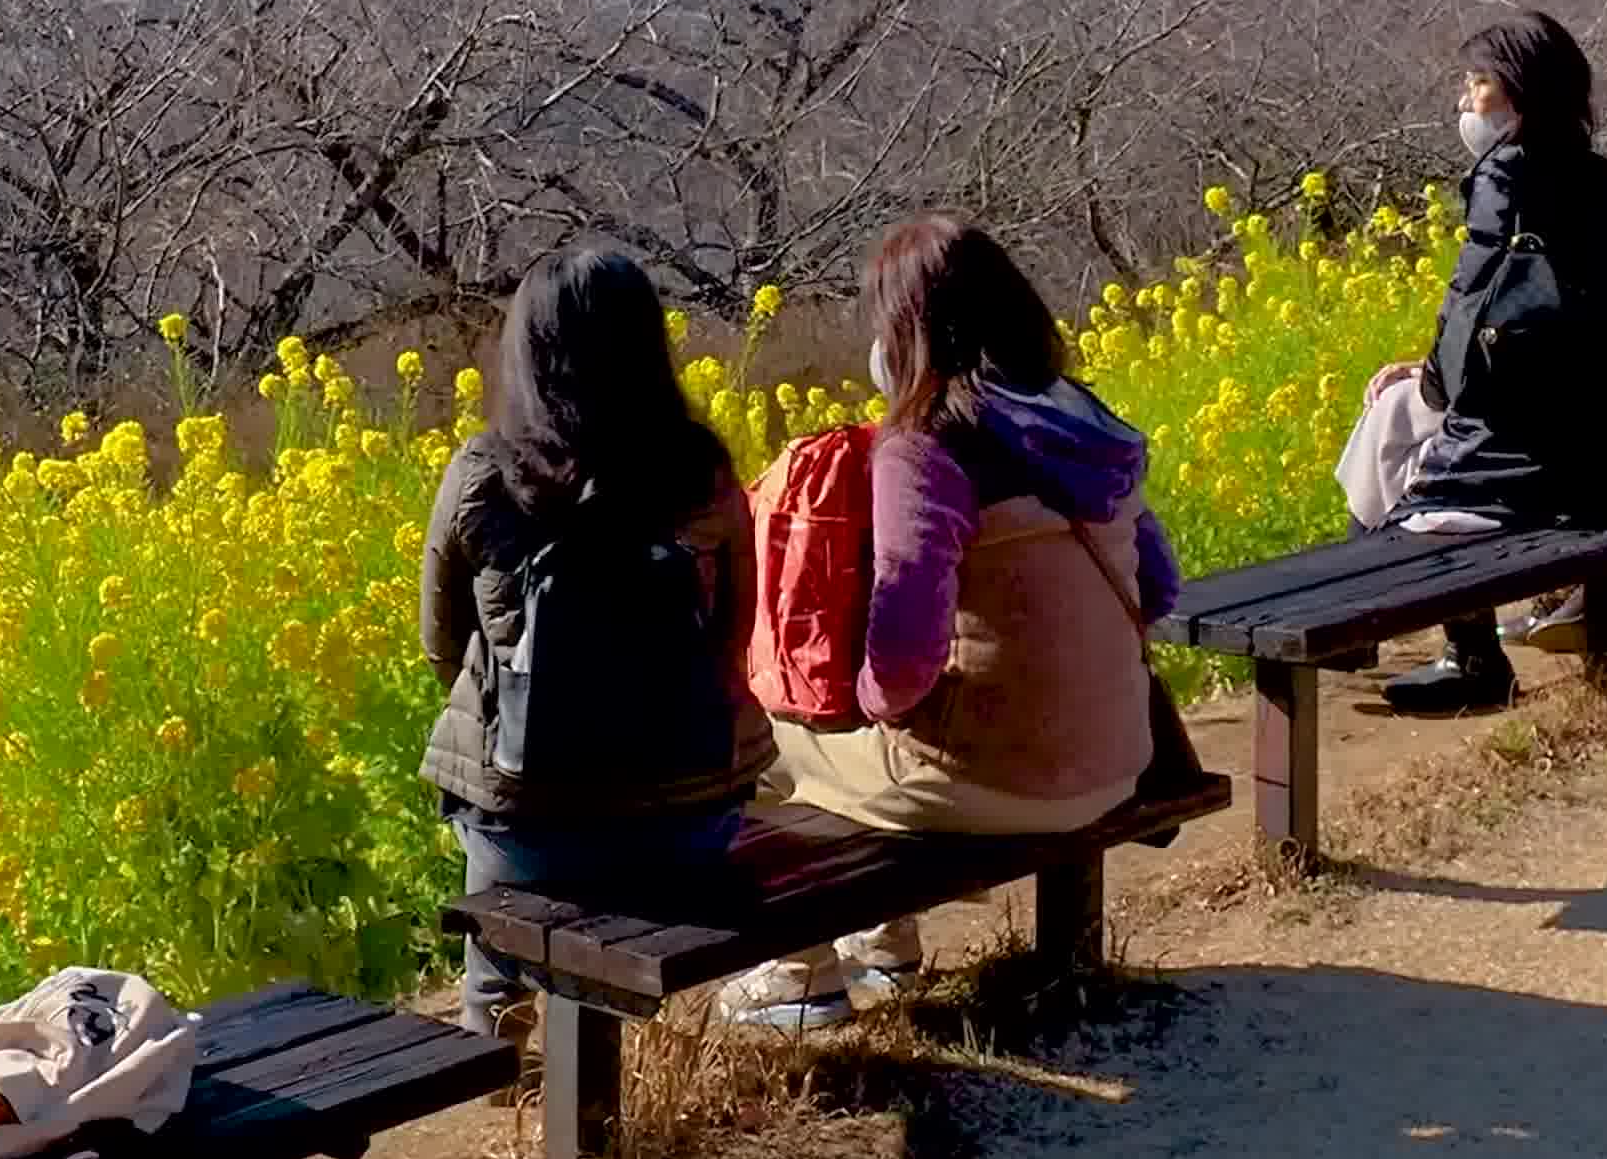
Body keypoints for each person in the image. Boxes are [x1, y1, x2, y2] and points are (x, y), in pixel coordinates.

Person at [716, 212, 1186, 1031]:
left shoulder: (928, 445)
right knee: (875, 737)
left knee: (755, 740)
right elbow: (1161, 587)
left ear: (908, 332)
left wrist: (837, 704)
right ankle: (885, 942)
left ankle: (797, 974)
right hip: (1119, 760)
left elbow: (901, 666)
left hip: (999, 784)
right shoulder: (1086, 418)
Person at [420, 243, 774, 1041]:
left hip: (531, 841)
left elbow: (442, 646)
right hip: (688, 828)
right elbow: (736, 633)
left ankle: (492, 1018)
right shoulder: (701, 471)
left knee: (486, 794)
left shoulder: (484, 471)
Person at [1350, 11, 1607, 715]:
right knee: (1410, 416)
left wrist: (1423, 381)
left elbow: (1466, 325)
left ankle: (1462, 651)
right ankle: (1381, 624)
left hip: (1550, 464)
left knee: (1395, 421)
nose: (1464, 101)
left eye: (1478, 83)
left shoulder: (1507, 179)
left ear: (1519, 94)